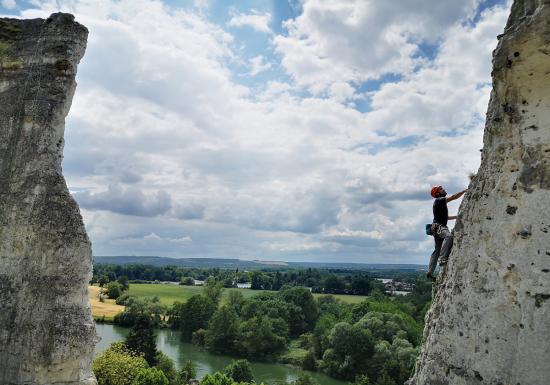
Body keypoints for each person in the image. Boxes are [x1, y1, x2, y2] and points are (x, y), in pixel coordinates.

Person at [426, 185, 467, 280]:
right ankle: (443, 259)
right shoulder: (439, 200)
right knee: (448, 236)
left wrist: (457, 217)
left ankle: (430, 272)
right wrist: (464, 191)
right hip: (439, 227)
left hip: (436, 227)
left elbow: (445, 217)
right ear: (437, 194)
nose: (443, 189)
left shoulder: (439, 204)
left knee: (437, 250)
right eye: (440, 189)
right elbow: (452, 198)